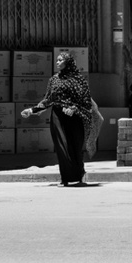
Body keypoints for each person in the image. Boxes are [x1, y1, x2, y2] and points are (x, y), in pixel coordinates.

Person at [21, 50, 92, 186]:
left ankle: (79, 174)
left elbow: (86, 101)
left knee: (76, 146)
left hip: (74, 118)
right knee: (62, 147)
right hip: (58, 117)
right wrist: (32, 110)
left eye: (61, 60)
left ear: (68, 62)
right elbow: (48, 100)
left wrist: (73, 109)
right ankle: (65, 177)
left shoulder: (79, 80)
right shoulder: (54, 79)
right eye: (57, 60)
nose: (58, 62)